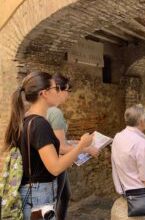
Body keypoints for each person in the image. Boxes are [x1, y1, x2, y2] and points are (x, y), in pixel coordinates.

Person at [3, 71, 93, 219]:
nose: (58, 91)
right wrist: (81, 145)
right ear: (44, 93)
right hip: (39, 197)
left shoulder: (26, 121)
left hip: (33, 193)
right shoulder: (40, 124)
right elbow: (55, 167)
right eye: (55, 88)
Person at [47, 73, 99, 220]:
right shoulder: (55, 112)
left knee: (64, 196)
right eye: (68, 91)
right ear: (58, 89)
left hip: (48, 162)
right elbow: (61, 148)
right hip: (56, 163)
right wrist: (86, 148)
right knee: (56, 201)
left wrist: (75, 142)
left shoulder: (43, 110)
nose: (68, 95)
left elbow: (55, 140)